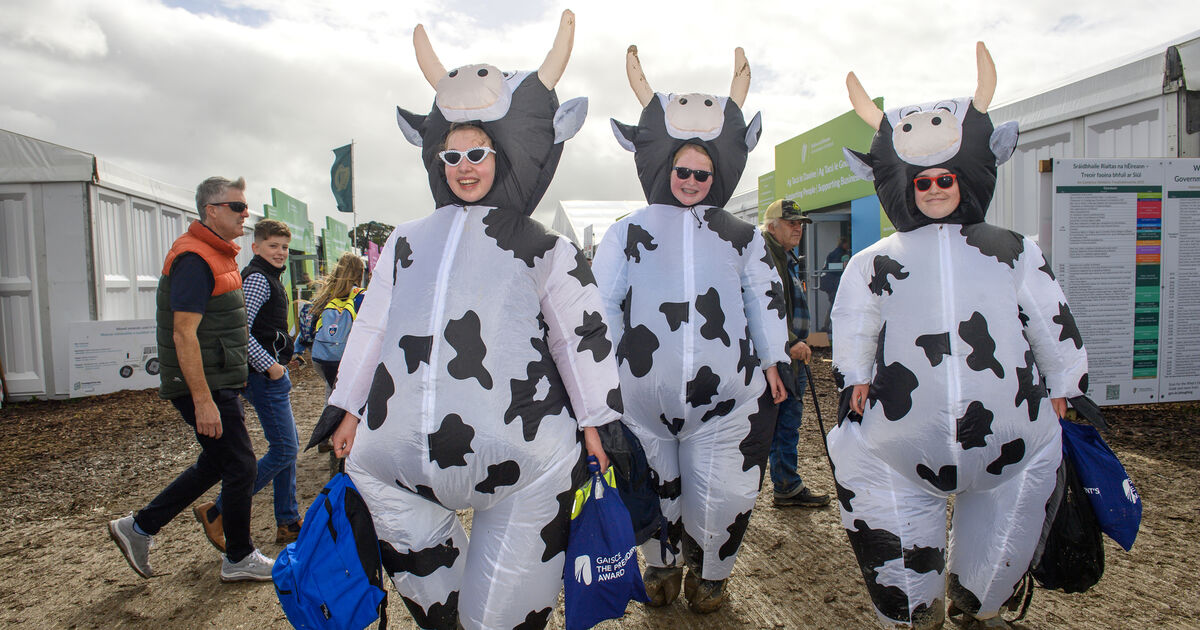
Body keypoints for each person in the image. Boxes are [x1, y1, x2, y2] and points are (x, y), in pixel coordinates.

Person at [323, 13, 618, 630]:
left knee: (504, 618)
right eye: (452, 154)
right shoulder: (405, 241)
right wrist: (347, 406)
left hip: (526, 457)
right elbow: (373, 326)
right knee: (440, 607)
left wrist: (598, 423)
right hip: (397, 456)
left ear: (502, 154)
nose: (464, 166)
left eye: (478, 153)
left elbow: (580, 337)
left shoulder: (544, 245)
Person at [830, 43, 1089, 629]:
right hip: (901, 440)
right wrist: (854, 378)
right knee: (904, 590)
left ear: (972, 171)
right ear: (898, 182)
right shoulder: (872, 262)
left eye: (946, 177)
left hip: (1013, 438)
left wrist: (1067, 381)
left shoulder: (1017, 250)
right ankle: (914, 610)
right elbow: (854, 323)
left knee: (993, 571)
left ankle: (978, 600)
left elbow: (1052, 318)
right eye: (921, 181)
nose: (934, 189)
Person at [593, 46, 788, 614]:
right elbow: (600, 304)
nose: (692, 180)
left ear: (718, 172)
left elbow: (763, 297)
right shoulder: (625, 232)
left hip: (727, 401)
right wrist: (596, 377)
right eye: (682, 169)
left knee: (722, 492)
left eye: (703, 172)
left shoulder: (743, 235)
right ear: (663, 166)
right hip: (639, 396)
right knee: (649, 485)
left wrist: (773, 359)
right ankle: (659, 567)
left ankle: (711, 574)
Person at [107, 176, 274, 582]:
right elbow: (184, 333)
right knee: (241, 467)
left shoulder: (215, 254)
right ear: (211, 210)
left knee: (217, 464)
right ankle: (238, 556)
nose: (245, 214)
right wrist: (203, 400)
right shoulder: (194, 259)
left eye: (245, 206)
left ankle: (140, 526)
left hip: (218, 381)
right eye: (237, 206)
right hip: (207, 386)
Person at [193, 219, 304, 551]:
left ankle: (288, 520)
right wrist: (269, 366)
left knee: (288, 447)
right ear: (255, 247)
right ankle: (217, 510)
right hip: (262, 376)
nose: (280, 252)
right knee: (285, 448)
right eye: (273, 246)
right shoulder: (257, 278)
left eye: (284, 247)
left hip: (268, 374)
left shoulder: (267, 276)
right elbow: (240, 330)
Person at [760, 199, 830, 508]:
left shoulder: (785, 256)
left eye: (800, 223)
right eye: (791, 223)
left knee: (787, 422)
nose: (798, 228)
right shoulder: (765, 258)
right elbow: (761, 308)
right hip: (780, 358)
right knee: (780, 423)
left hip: (790, 357)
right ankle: (783, 484)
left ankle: (786, 483)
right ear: (772, 226)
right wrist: (789, 342)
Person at [294, 251, 366, 398]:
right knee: (351, 400)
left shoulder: (325, 295)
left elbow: (308, 326)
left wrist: (297, 349)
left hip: (322, 357)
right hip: (346, 356)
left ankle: (328, 418)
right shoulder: (361, 297)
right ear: (360, 274)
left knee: (332, 395)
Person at [819, 237, 850, 333]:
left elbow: (825, 266)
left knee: (833, 304)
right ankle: (830, 327)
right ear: (844, 244)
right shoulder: (844, 254)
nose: (848, 246)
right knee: (836, 305)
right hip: (836, 282)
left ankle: (826, 326)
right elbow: (846, 267)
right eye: (847, 244)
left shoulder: (831, 254)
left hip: (828, 282)